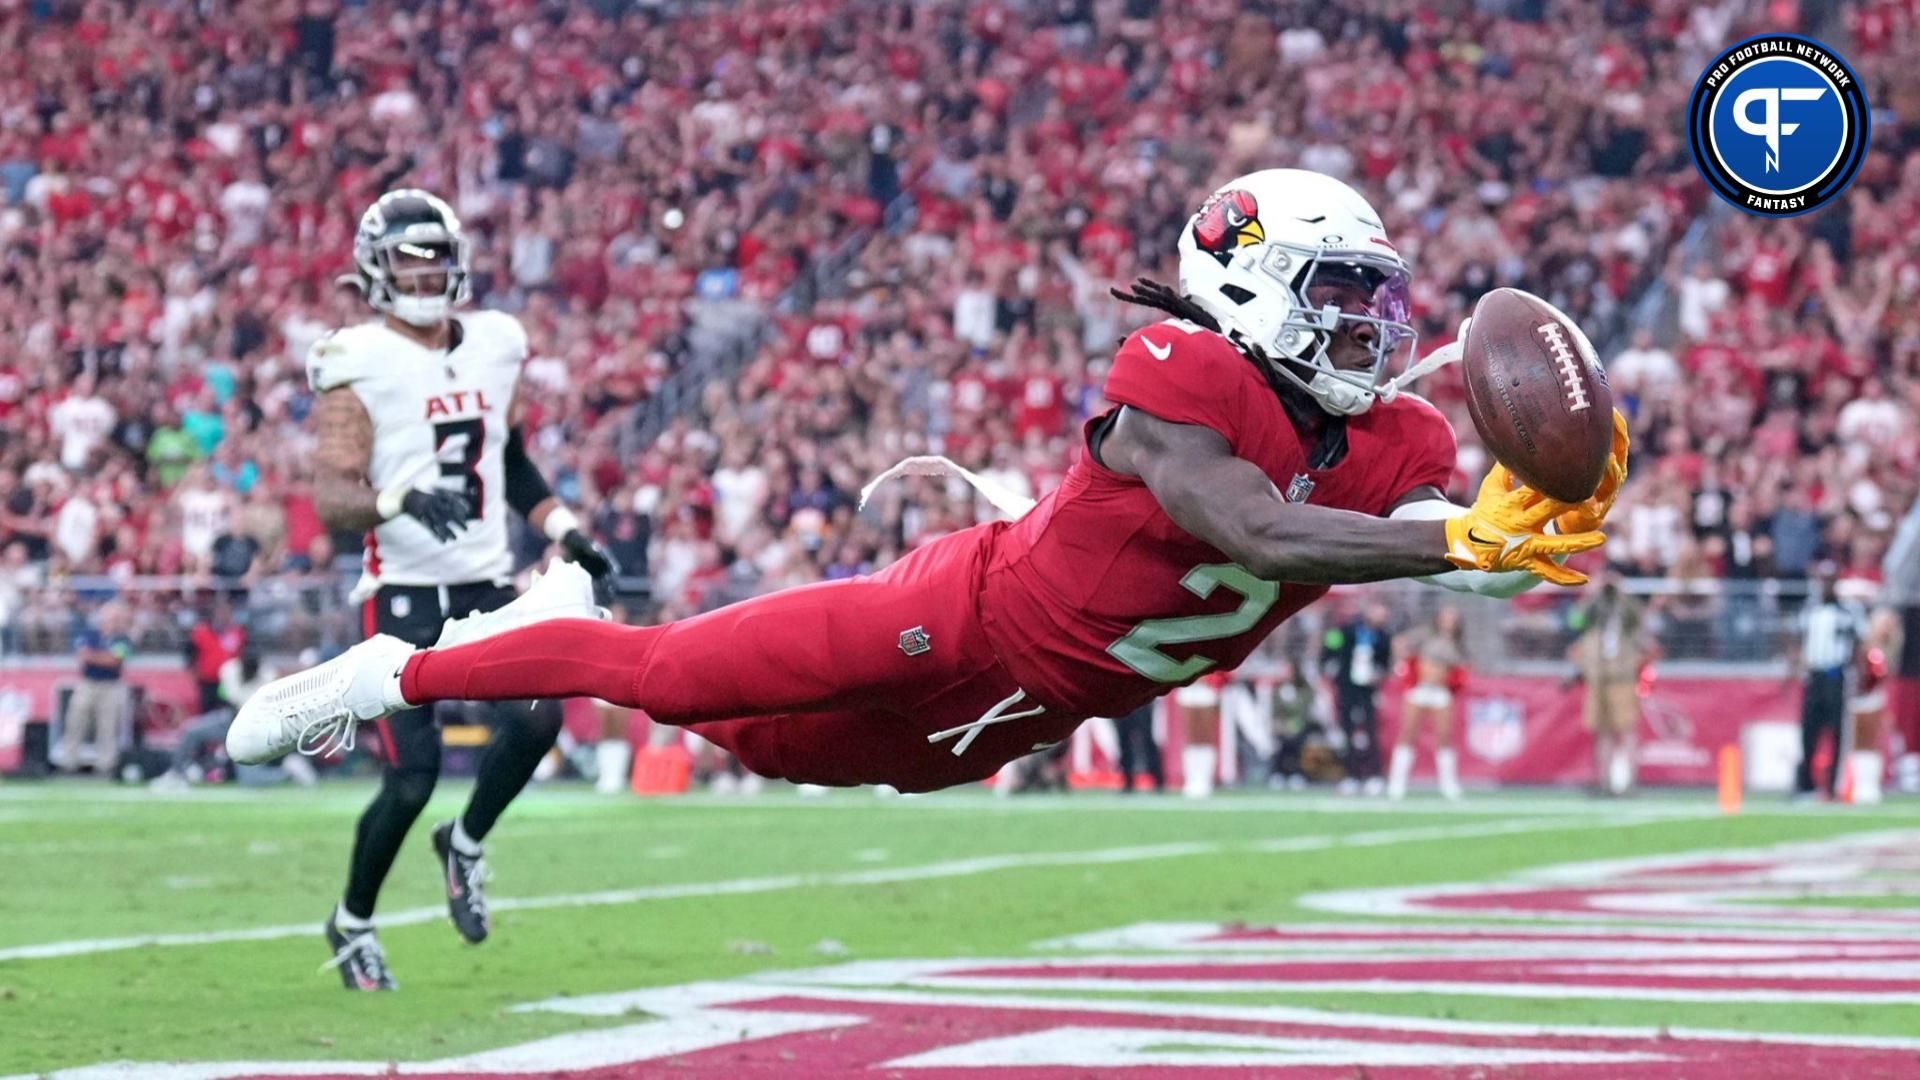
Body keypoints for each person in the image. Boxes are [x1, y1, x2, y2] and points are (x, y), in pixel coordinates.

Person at [233, 170, 1626, 832]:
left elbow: (1476, 547)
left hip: (1028, 711)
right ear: (1248, 283)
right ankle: (394, 669)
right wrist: (1456, 542)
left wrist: (1544, 521)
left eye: (1381, 298)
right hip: (954, 619)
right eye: (1340, 293)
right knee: (665, 683)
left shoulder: (1403, 438)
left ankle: (536, 622)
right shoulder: (1179, 368)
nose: (1375, 327)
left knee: (777, 758)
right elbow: (1251, 528)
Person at [297, 191, 618, 990]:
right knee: (412, 775)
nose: (426, 269)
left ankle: (466, 843)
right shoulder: (355, 358)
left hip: (481, 579)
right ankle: (354, 919)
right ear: (377, 264)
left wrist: (564, 528)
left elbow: (506, 461)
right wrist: (398, 499)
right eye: (410, 256)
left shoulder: (497, 343)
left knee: (540, 717)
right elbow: (332, 496)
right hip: (400, 587)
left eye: (436, 253)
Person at [1567, 573, 1657, 797]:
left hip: (1623, 676)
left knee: (1627, 731)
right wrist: (1591, 594)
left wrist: (1620, 592)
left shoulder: (1627, 610)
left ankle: (1631, 783)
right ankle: (1603, 782)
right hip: (1598, 676)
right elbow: (1574, 621)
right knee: (1602, 732)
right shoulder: (1594, 609)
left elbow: (1638, 616)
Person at [1789, 563, 1866, 802]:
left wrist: (1859, 674)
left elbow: (1859, 644)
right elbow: (1797, 641)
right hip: (1814, 675)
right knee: (1808, 731)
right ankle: (1805, 786)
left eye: (1830, 579)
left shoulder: (1848, 611)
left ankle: (1833, 786)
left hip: (1836, 675)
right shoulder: (1809, 610)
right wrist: (1794, 667)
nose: (1826, 584)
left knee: (1837, 732)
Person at [1386, 606, 1468, 801]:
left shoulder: (1457, 643)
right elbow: (1400, 642)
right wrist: (1401, 666)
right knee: (1407, 733)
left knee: (1444, 736)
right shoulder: (1425, 634)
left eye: (1452, 618)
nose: (1448, 621)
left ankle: (1449, 785)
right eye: (1445, 617)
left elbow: (1464, 665)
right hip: (1419, 688)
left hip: (1441, 691)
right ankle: (1396, 784)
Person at [1322, 603, 1393, 794]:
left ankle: (1374, 776)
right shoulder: (1345, 630)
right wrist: (1331, 670)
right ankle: (1351, 776)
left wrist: (1379, 675)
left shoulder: (1384, 637)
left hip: (1368, 690)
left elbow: (1386, 664)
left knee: (1370, 732)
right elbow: (1328, 648)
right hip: (1347, 687)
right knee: (1347, 732)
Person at [57, 603, 132, 778]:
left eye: (117, 617)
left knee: (108, 725)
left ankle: (105, 765)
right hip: (88, 683)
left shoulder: (122, 639)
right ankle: (68, 762)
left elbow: (114, 661)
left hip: (111, 685)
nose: (114, 621)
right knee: (75, 721)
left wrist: (95, 656)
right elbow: (84, 655)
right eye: (111, 617)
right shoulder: (91, 634)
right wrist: (103, 657)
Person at [1846, 607, 1900, 805]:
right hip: (1855, 697)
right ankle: (1856, 784)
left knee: (1869, 742)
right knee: (1856, 743)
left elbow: (1879, 675)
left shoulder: (1883, 649)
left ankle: (1868, 786)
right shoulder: (1862, 645)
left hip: (1871, 698)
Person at [1113, 700, 1164, 794]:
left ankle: (1158, 779)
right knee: (1123, 739)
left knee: (1146, 737)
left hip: (1140, 697)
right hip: (1120, 699)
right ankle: (1127, 779)